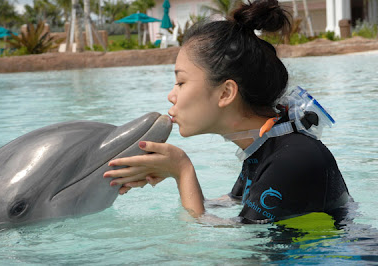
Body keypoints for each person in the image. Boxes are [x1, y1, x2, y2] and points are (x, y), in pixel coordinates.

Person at [103, 0, 350, 224]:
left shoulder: (292, 159)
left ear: (225, 93)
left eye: (181, 82)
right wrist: (171, 173)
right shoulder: (263, 149)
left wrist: (182, 168)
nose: (171, 95)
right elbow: (230, 207)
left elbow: (226, 243)